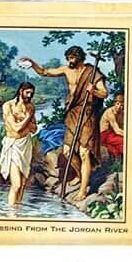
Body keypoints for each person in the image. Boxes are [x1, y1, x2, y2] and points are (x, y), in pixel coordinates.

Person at [21, 45, 108, 200]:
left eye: (72, 58)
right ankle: (80, 175)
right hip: (73, 113)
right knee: (67, 151)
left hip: (87, 114)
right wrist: (32, 63)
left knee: (84, 152)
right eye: (68, 58)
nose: (70, 61)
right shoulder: (67, 70)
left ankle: (83, 190)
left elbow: (104, 93)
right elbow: (44, 72)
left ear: (79, 58)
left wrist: (93, 91)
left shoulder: (92, 73)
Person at [0, 82, 38, 205]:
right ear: (21, 91)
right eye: (27, 92)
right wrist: (27, 118)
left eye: (31, 93)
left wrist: (22, 117)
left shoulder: (30, 107)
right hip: (13, 145)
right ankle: (10, 212)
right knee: (16, 184)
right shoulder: (8, 106)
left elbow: (34, 129)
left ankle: (17, 210)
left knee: (23, 184)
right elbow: (16, 128)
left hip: (25, 145)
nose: (29, 95)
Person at [100, 93, 124, 160]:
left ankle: (118, 160)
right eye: (117, 104)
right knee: (123, 141)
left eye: (121, 105)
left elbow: (122, 127)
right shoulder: (110, 112)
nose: (119, 107)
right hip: (105, 135)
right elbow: (117, 130)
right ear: (114, 103)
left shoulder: (122, 113)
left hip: (114, 134)